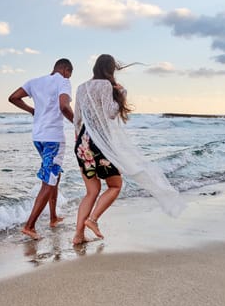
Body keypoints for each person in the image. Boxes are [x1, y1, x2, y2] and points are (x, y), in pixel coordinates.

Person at [72, 54, 184, 245]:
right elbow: (110, 112)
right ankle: (92, 220)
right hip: (100, 143)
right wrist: (123, 94)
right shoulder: (106, 85)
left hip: (82, 144)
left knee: (91, 192)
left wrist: (80, 141)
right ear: (110, 69)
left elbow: (76, 119)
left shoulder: (82, 87)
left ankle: (78, 235)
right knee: (115, 186)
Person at [8, 58, 74, 240]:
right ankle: (29, 226)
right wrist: (78, 124)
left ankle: (53, 217)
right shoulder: (64, 81)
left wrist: (31, 110)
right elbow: (63, 106)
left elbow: (13, 97)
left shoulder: (34, 82)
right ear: (66, 70)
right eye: (69, 74)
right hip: (53, 139)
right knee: (48, 180)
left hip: (38, 137)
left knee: (54, 175)